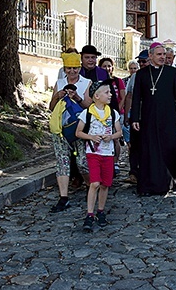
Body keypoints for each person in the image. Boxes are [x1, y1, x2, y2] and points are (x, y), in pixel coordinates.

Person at [130, 43, 176, 195]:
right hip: (149, 117)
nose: (163, 57)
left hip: (168, 117)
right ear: (150, 56)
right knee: (150, 151)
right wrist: (135, 118)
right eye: (159, 54)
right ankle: (150, 186)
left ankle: (174, 178)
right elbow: (136, 97)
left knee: (172, 147)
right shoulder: (142, 75)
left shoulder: (171, 72)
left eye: (164, 54)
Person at [48, 52, 92, 213]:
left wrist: (78, 98)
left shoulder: (86, 82)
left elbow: (90, 106)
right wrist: (58, 96)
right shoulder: (59, 83)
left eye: (75, 68)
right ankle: (63, 197)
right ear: (64, 69)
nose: (72, 72)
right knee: (62, 162)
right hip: (61, 128)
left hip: (79, 128)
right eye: (69, 68)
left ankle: (90, 187)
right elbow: (51, 107)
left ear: (79, 68)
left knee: (82, 161)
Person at [75, 81, 122, 232]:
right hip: (93, 152)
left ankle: (100, 211)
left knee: (105, 184)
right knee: (94, 183)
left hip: (108, 153)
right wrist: (91, 137)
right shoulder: (88, 113)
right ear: (96, 96)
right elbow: (78, 132)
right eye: (107, 92)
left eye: (110, 92)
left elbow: (119, 132)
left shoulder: (112, 113)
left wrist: (112, 137)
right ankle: (89, 213)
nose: (110, 95)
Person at [122, 50, 149, 184]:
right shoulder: (135, 76)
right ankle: (134, 172)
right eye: (140, 62)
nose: (141, 64)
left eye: (144, 61)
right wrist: (127, 115)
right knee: (134, 146)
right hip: (136, 116)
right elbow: (129, 96)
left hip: (150, 116)